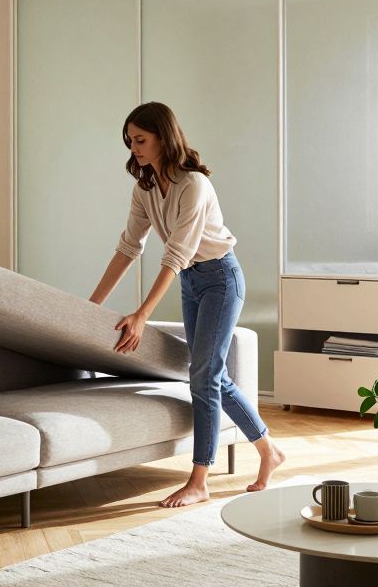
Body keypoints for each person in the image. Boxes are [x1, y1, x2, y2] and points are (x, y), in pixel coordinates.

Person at [89, 102, 286, 508]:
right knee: (209, 374)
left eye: (141, 140)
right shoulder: (145, 188)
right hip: (192, 283)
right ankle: (270, 451)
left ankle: (199, 480)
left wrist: (142, 315)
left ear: (164, 137)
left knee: (205, 375)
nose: (134, 148)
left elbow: (174, 256)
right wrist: (91, 305)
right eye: (130, 141)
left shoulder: (194, 185)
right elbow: (129, 248)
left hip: (220, 279)